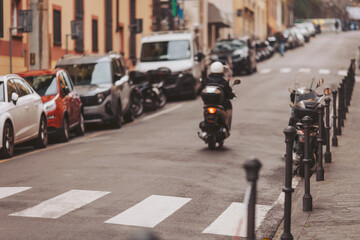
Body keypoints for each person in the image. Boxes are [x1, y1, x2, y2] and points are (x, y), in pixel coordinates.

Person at [204, 61, 236, 131]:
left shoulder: (207, 81)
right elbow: (229, 93)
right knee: (228, 104)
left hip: (208, 104)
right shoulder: (223, 82)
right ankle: (227, 125)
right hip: (220, 104)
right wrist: (232, 95)